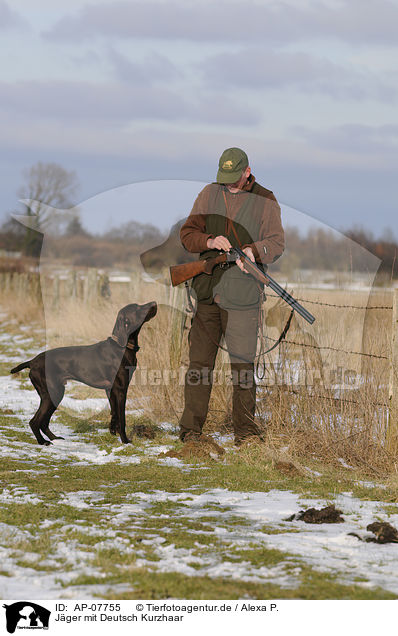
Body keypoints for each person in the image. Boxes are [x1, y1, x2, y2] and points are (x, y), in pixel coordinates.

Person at [178, 147, 285, 446]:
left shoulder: (266, 199)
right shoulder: (209, 194)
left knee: (242, 369)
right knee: (199, 366)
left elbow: (277, 242)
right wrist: (209, 240)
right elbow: (187, 234)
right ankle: (190, 432)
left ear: (247, 171)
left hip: (244, 296)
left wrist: (252, 251)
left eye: (233, 178)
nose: (227, 183)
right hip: (208, 292)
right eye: (223, 178)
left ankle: (246, 434)